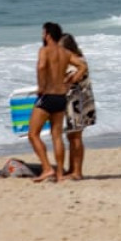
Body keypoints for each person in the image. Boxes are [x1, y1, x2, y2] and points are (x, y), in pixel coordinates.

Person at [27, 22, 71, 183]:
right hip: (61, 97)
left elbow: (41, 66)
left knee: (33, 134)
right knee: (57, 136)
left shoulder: (44, 51)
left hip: (48, 96)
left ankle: (47, 168)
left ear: (48, 35)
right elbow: (81, 66)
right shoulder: (65, 53)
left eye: (43, 32)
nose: (41, 35)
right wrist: (70, 80)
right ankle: (59, 174)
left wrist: (41, 86)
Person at [60, 34, 94, 181]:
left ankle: (77, 171)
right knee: (71, 136)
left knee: (76, 137)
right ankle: (72, 169)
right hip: (75, 103)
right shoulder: (75, 60)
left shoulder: (77, 62)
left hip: (78, 104)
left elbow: (71, 81)